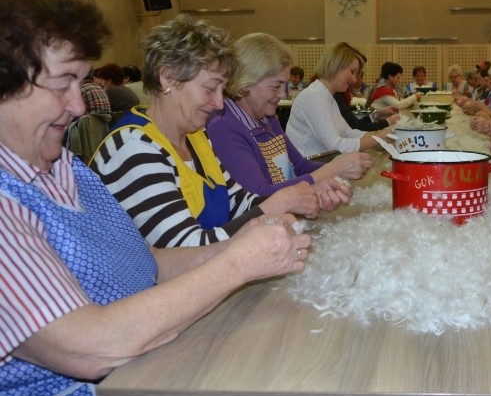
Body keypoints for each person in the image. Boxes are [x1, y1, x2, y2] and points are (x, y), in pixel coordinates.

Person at [0, 0, 309, 396]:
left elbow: (150, 260)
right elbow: (90, 348)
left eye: (80, 83)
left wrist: (251, 241)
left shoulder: (66, 165)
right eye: (63, 83)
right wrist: (238, 261)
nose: (79, 104)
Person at [90, 15, 344, 249]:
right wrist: (274, 207)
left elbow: (238, 203)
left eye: (222, 90)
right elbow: (186, 251)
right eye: (211, 88)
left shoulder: (196, 138)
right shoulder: (133, 148)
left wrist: (297, 196)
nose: (219, 104)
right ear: (168, 78)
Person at [207, 32, 372, 197]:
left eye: (285, 86)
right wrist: (334, 169)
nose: (283, 95)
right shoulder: (224, 127)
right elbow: (260, 196)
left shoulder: (268, 119)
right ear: (245, 83)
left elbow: (299, 167)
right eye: (275, 86)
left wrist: (342, 168)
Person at [286, 42, 394, 156]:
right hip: (310, 169)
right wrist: (378, 138)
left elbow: (348, 132)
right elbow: (337, 146)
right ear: (336, 66)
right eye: (352, 72)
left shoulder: (327, 96)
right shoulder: (314, 96)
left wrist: (382, 135)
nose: (353, 79)